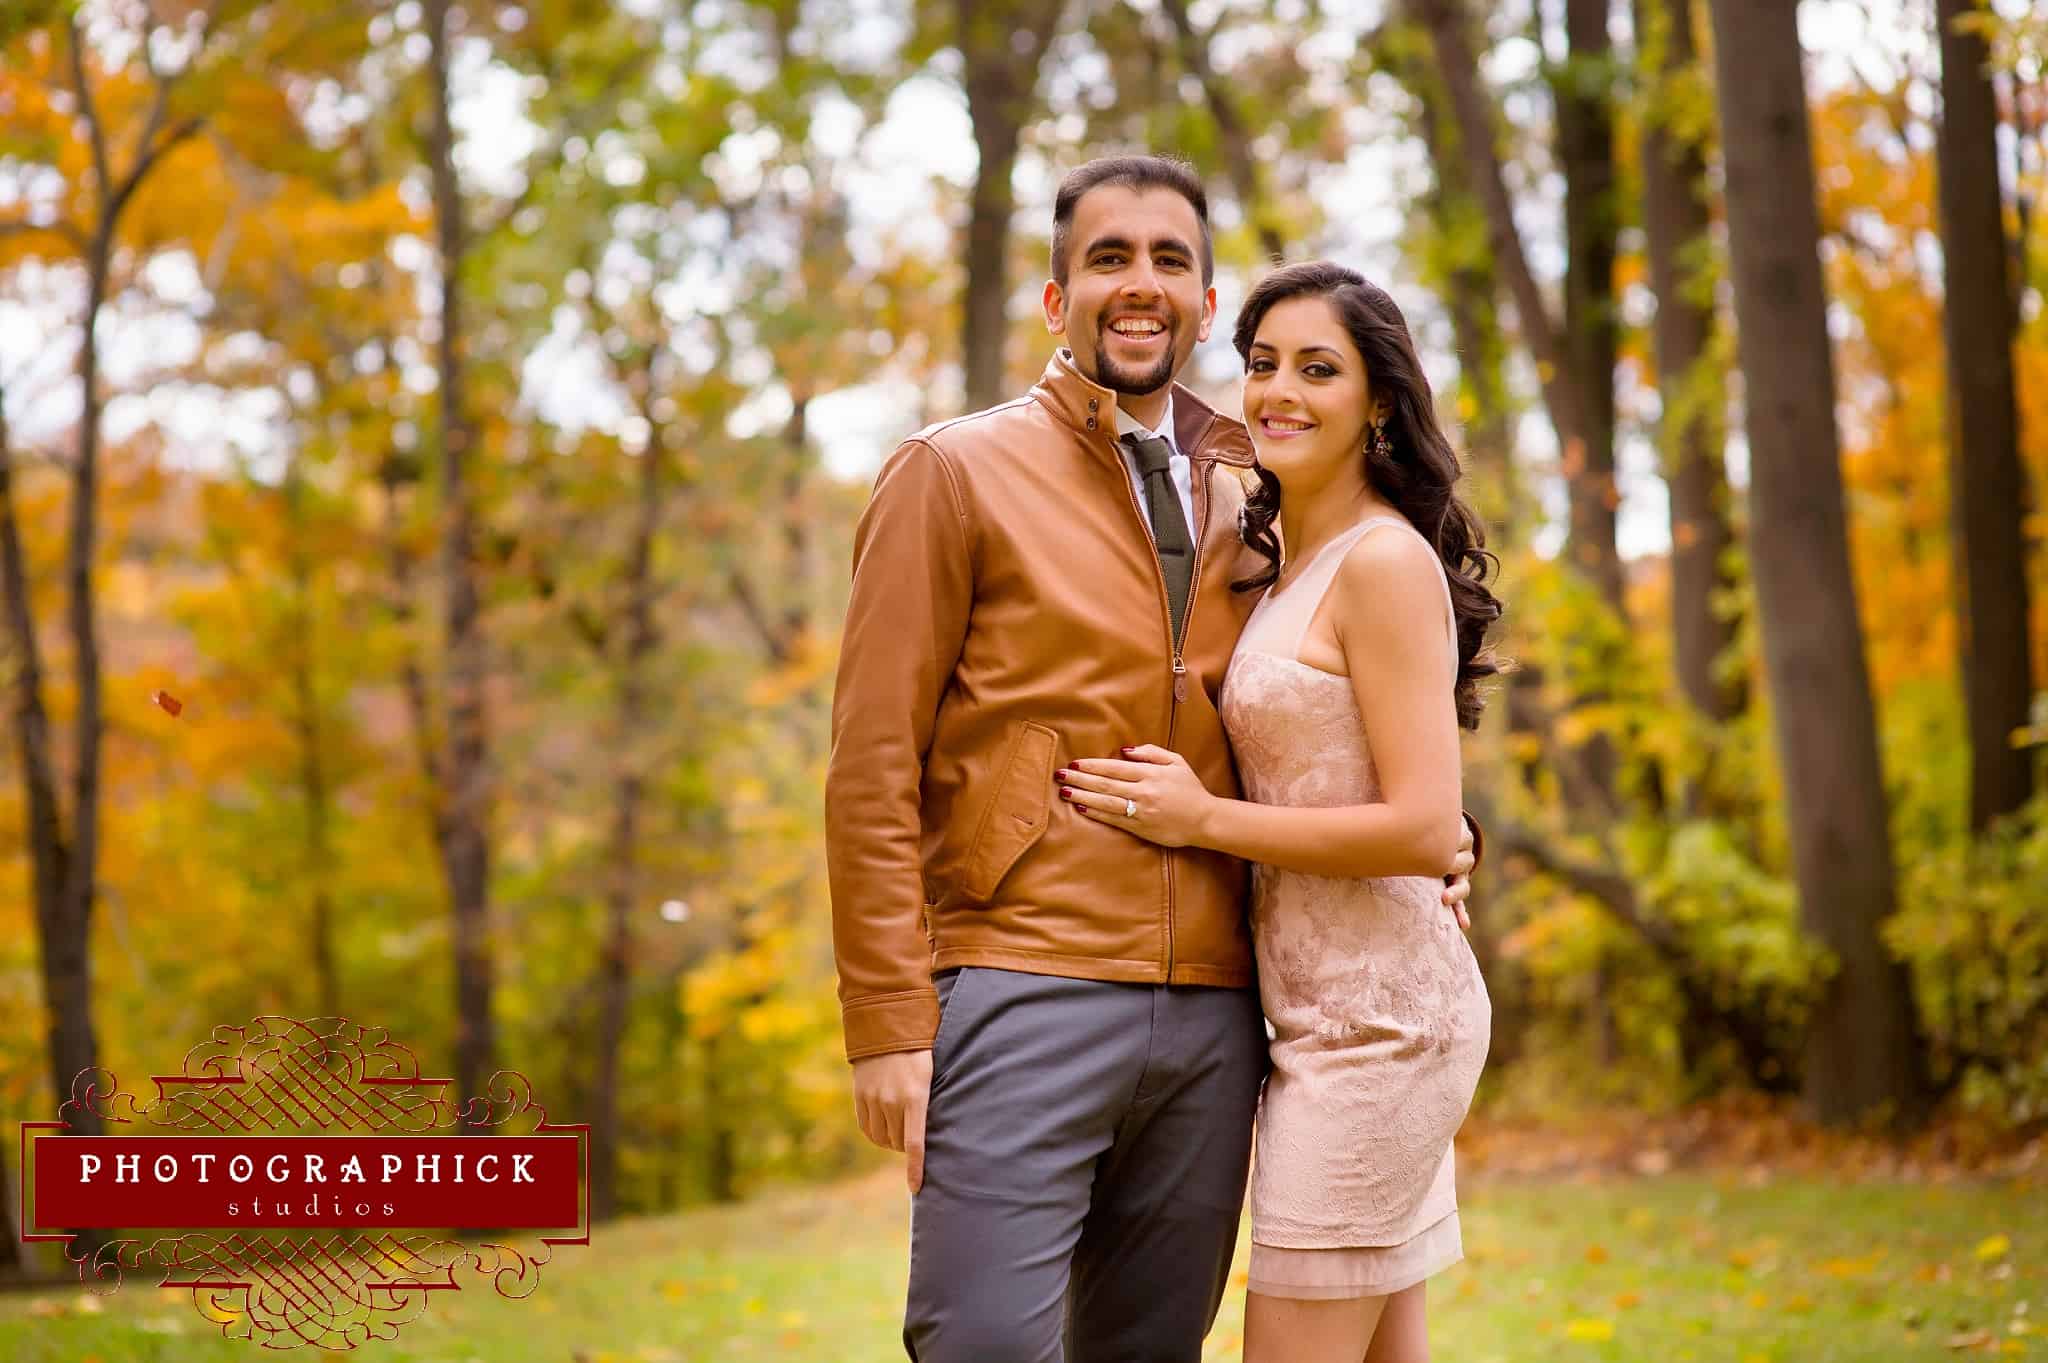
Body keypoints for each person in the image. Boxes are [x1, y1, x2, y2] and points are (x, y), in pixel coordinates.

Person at [824, 156, 1476, 1363]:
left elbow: (1325, 712)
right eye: (1108, 257)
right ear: (1053, 294)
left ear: (1203, 298)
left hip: (1227, 1013)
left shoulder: (1257, 484)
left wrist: (1439, 833)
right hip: (1026, 975)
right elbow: (869, 762)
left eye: (1169, 260)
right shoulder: (952, 471)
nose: (1139, 285)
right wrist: (883, 1020)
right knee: (980, 1345)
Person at [1058, 261, 1501, 1363]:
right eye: (1260, 365)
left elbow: (1411, 821)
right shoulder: (1278, 562)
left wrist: (1198, 819)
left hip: (1382, 1029)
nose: (1277, 393)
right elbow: (1385, 787)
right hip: (1311, 1025)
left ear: (1379, 402)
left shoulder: (1383, 561)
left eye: (1317, 369)